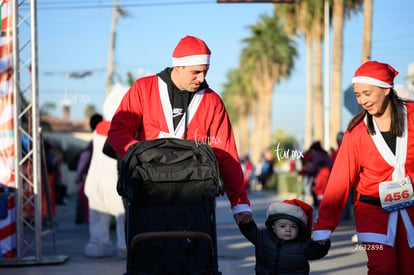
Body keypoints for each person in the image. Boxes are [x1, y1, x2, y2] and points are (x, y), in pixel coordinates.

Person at [107, 35, 252, 224]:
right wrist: (142, 154)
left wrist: (240, 203)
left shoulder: (212, 101)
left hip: (195, 198)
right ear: (179, 66)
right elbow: (118, 132)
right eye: (196, 72)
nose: (202, 78)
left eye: (205, 72)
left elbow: (226, 152)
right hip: (148, 193)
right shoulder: (144, 88)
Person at [313, 61, 414, 274]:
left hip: (411, 209)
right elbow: (339, 181)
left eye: (367, 93)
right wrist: (323, 227)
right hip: (372, 211)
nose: (363, 101)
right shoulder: (355, 133)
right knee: (383, 268)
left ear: (386, 89)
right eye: (358, 95)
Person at [84, 84, 128, 258]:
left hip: (95, 183)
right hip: (115, 184)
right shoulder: (121, 130)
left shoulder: (98, 128)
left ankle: (98, 243)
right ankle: (124, 245)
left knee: (97, 217)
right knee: (123, 216)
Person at [238, 199, 330, 274]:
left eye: (293, 226)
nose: (288, 230)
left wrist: (322, 243)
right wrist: (246, 223)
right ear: (273, 227)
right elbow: (250, 231)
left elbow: (317, 251)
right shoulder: (263, 237)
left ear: (299, 229)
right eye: (282, 226)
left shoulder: (303, 245)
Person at [74, 113, 103, 225]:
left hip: (91, 178)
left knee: (90, 202)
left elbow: (84, 160)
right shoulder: (110, 138)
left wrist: (78, 176)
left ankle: (90, 219)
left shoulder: (92, 144)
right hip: (107, 178)